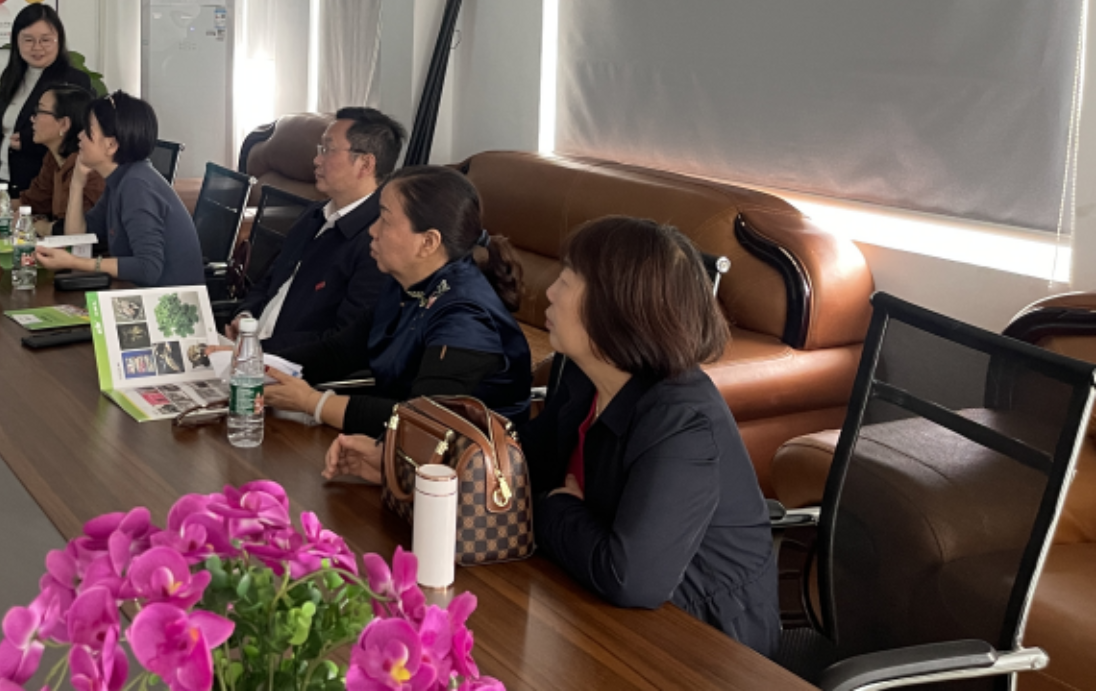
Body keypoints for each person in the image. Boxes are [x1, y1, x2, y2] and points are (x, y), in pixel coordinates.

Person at [322, 216, 780, 657]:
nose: (551, 291)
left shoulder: (681, 422)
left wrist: (557, 507)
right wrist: (399, 468)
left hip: (701, 643)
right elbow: (518, 470)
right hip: (591, 606)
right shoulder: (581, 376)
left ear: (614, 308)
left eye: (568, 279)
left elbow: (629, 578)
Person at [265, 166, 530, 437]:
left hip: (470, 456)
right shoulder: (406, 285)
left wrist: (313, 403)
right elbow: (338, 352)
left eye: (385, 219)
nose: (372, 230)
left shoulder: (466, 318)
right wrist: (258, 364)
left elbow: (423, 422)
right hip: (398, 447)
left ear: (428, 242)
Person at [230, 108, 405, 363]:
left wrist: (259, 349)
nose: (316, 160)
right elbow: (270, 280)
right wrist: (244, 316)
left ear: (365, 164)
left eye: (328, 150)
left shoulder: (378, 241)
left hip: (293, 369)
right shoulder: (313, 214)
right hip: (251, 354)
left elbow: (343, 342)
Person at [34, 91, 203, 287]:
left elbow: (148, 268)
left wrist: (74, 262)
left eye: (88, 131)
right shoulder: (120, 179)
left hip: (170, 302)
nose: (79, 136)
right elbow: (78, 239)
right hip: (139, 293)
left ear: (111, 144)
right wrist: (77, 183)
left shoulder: (136, 186)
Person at [0, 4, 92, 195]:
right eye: (28, 40)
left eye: (45, 40)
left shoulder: (73, 81)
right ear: (16, 40)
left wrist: (28, 142)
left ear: (59, 40)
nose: (37, 47)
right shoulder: (11, 76)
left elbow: (77, 135)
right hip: (7, 178)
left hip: (44, 185)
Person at [19, 85, 104, 223]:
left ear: (64, 124)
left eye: (39, 111)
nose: (32, 118)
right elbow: (33, 202)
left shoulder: (88, 167)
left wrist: (43, 227)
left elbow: (76, 227)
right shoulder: (53, 158)